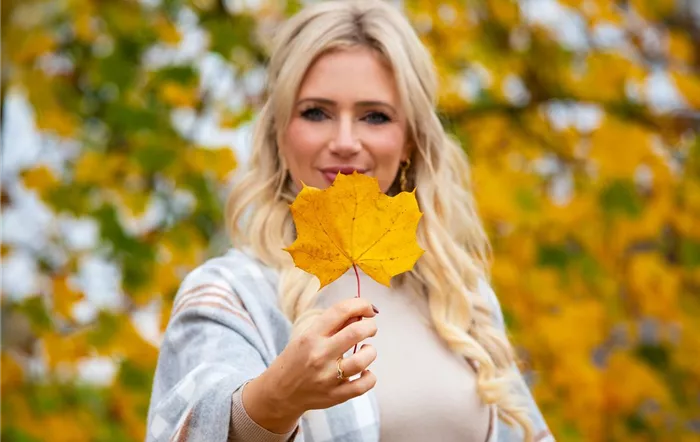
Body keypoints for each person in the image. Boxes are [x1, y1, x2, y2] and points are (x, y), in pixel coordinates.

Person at [146, 1, 554, 441]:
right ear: (279, 133)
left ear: (410, 141)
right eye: (316, 112)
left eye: (374, 116)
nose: (344, 142)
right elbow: (190, 425)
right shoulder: (232, 294)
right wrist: (275, 400)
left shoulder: (460, 297)